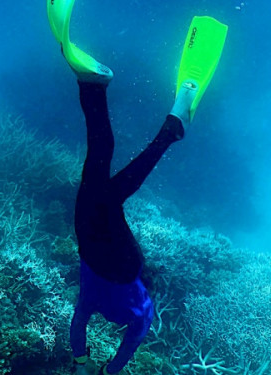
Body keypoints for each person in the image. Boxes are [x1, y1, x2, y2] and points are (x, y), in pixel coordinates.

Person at [46, 1, 227, 374]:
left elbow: (121, 343)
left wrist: (92, 366)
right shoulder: (108, 307)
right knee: (100, 177)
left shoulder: (141, 314)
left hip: (119, 261)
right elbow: (80, 325)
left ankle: (156, 122)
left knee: (107, 183)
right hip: (98, 249)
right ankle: (94, 88)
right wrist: (88, 366)